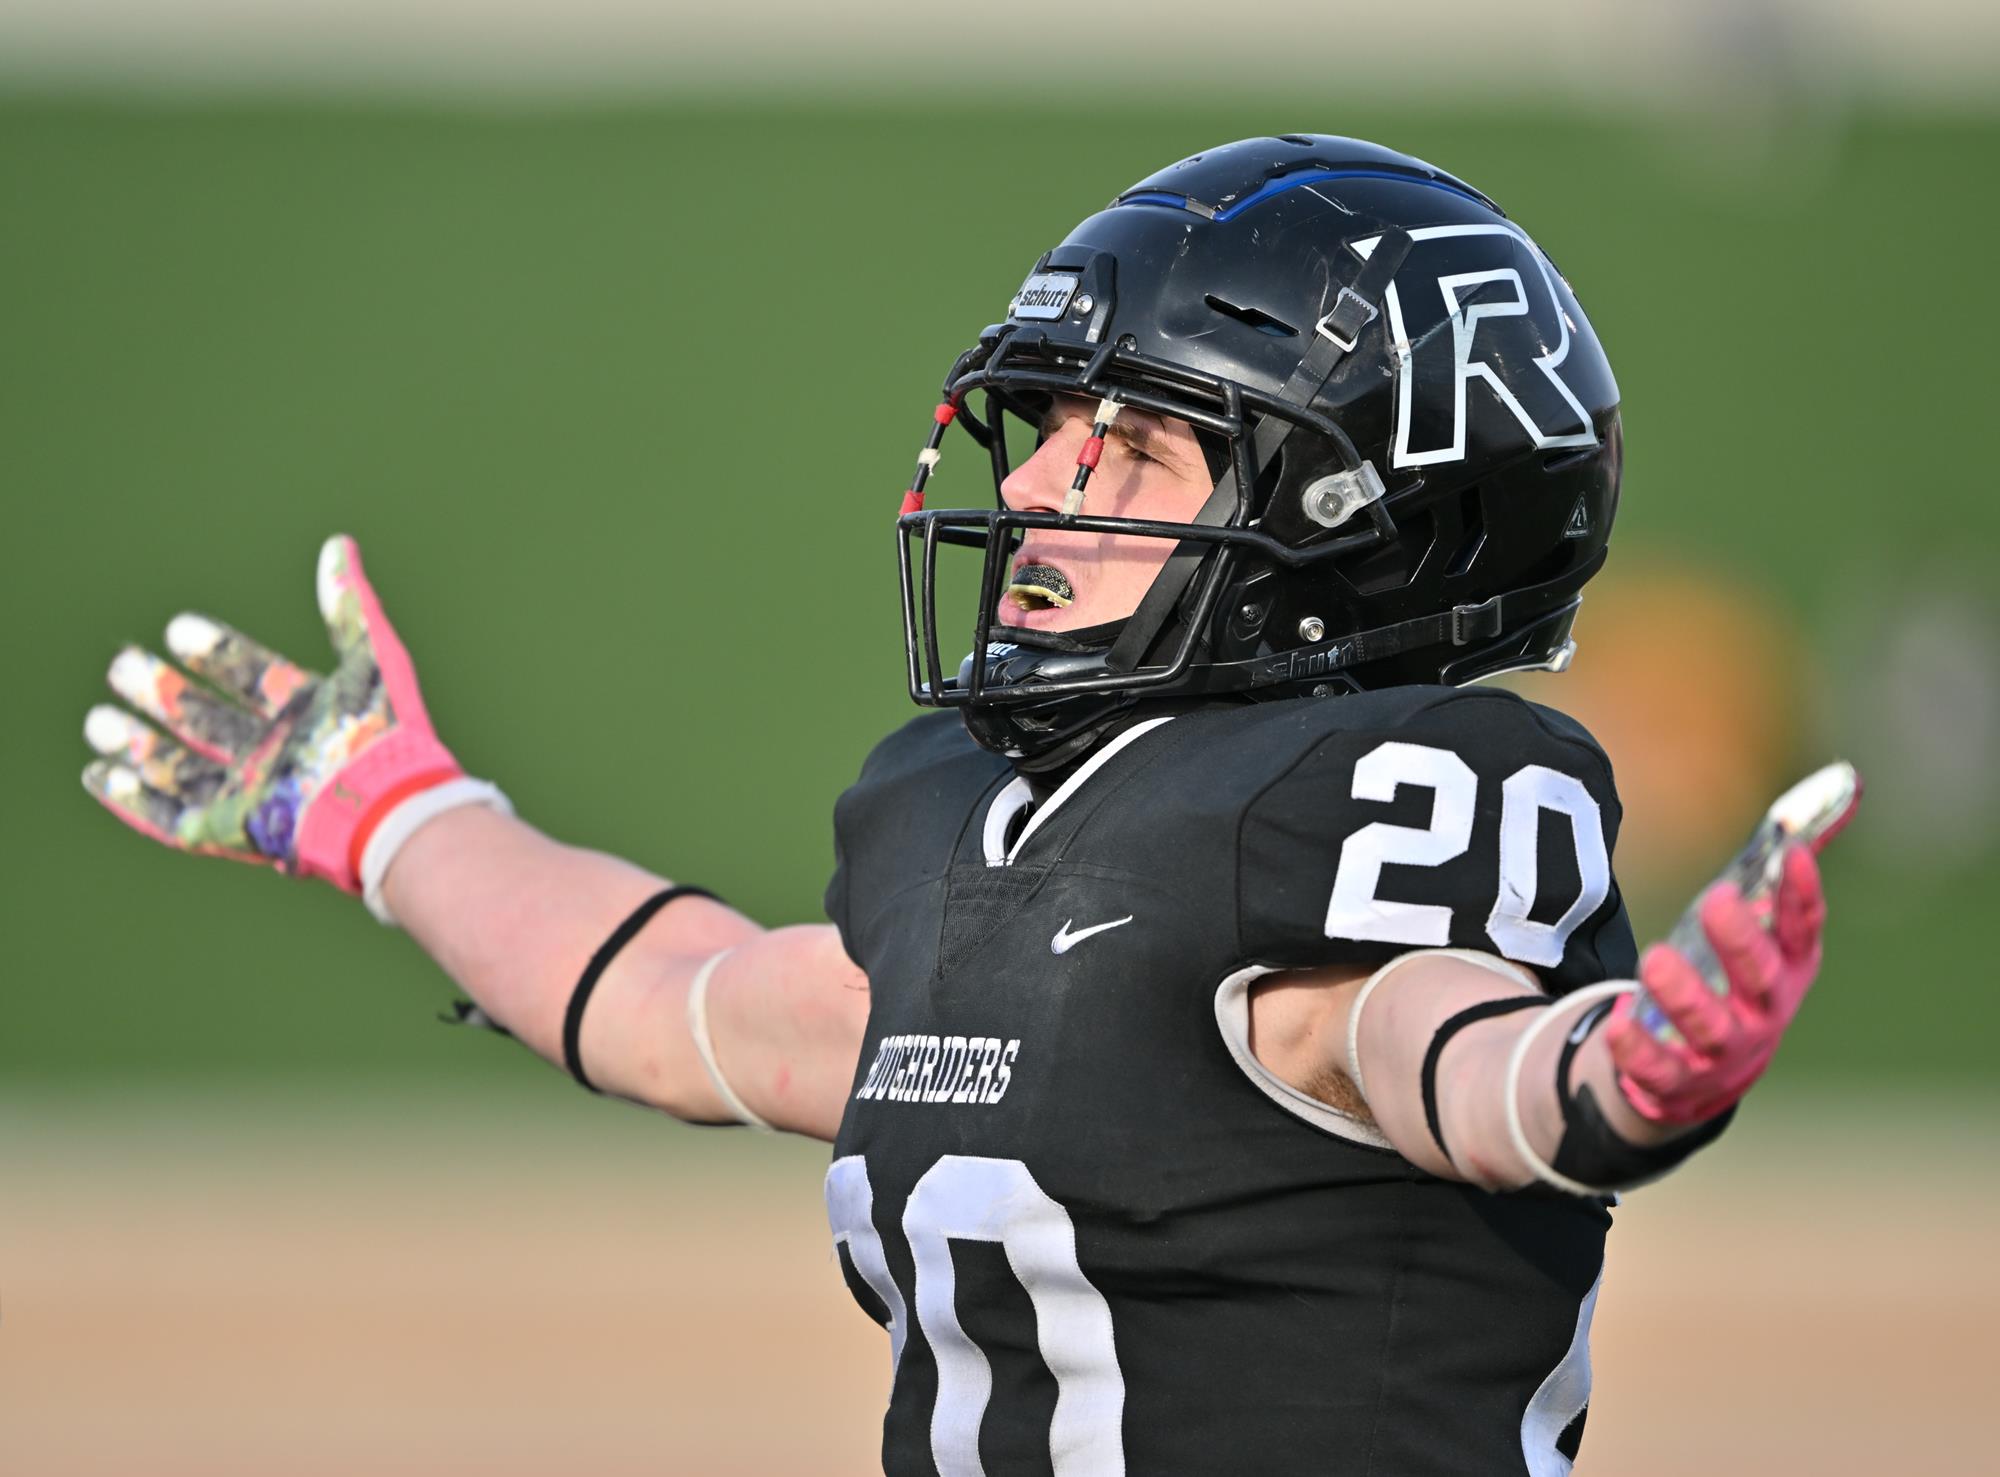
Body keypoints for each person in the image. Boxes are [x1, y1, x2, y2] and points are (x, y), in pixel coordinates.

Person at [78, 136, 1833, 1475]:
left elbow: (1434, 1048)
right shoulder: (975, 822)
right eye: (1054, 425)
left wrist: (1608, 1076)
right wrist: (398, 816)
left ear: (1349, 524)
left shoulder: (1345, 811)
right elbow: (684, 1003)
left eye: (1136, 446)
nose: (1049, 482)